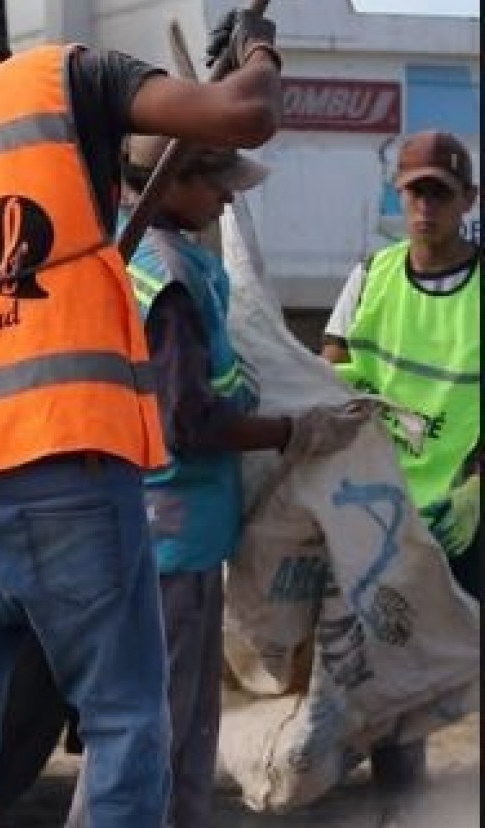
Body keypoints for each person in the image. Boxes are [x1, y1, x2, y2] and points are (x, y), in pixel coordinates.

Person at [0, 0, 284, 828]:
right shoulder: (63, 79)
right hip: (67, 467)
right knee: (123, 721)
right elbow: (244, 113)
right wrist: (259, 49)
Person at [64, 135, 367, 828]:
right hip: (172, 535)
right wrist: (293, 433)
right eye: (216, 182)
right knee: (158, 729)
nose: (228, 197)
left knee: (157, 724)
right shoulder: (168, 274)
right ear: (170, 181)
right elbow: (190, 422)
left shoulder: (122, 248)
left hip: (136, 524)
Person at [321, 128, 480, 791]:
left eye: (439, 195)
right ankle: (401, 794)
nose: (425, 209)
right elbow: (329, 372)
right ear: (399, 195)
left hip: (465, 513)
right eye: (415, 193)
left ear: (468, 199)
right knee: (391, 665)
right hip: (382, 509)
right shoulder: (373, 276)